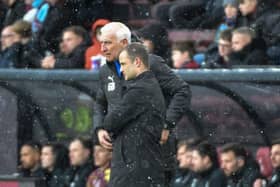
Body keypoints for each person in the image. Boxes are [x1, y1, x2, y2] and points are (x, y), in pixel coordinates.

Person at [94, 22, 191, 186]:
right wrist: (99, 128)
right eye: (101, 42)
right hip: (121, 156)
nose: (102, 48)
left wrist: (167, 124)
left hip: (153, 154)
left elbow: (182, 91)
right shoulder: (105, 71)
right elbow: (100, 102)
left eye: (108, 43)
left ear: (124, 43)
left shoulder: (150, 63)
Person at [97, 43, 166, 187]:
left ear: (137, 62)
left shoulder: (139, 90)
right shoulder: (149, 85)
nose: (121, 70)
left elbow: (111, 122)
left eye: (123, 64)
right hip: (142, 166)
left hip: (135, 170)